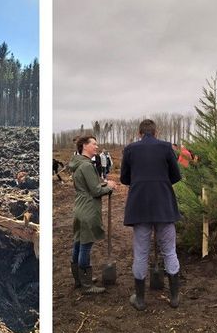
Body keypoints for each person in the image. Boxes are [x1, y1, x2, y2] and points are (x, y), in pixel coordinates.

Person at [121, 119, 182, 310]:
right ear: (156, 132)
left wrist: (140, 181)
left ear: (140, 132)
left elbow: (124, 178)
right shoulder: (165, 147)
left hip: (139, 206)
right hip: (163, 205)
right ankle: (174, 298)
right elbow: (176, 175)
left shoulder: (130, 149)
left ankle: (139, 300)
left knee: (141, 252)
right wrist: (161, 182)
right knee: (169, 250)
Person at [68, 135, 116, 294]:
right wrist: (109, 187)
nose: (96, 147)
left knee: (77, 243)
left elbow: (88, 184)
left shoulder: (78, 163)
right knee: (85, 247)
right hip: (88, 209)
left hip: (79, 208)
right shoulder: (87, 166)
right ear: (84, 146)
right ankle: (87, 286)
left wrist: (104, 183)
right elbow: (95, 191)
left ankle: (79, 280)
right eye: (94, 144)